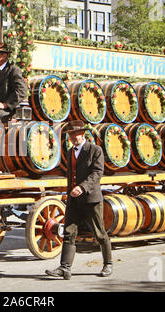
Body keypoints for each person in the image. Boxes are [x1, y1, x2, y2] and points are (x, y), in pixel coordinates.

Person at [45, 120, 112, 280]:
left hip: (91, 199)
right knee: (68, 232)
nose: (74, 137)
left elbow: (97, 173)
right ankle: (64, 267)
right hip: (74, 200)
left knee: (100, 233)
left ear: (83, 134)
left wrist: (82, 187)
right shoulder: (70, 152)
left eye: (76, 134)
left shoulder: (95, 150)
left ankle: (108, 264)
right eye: (71, 135)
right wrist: (70, 192)